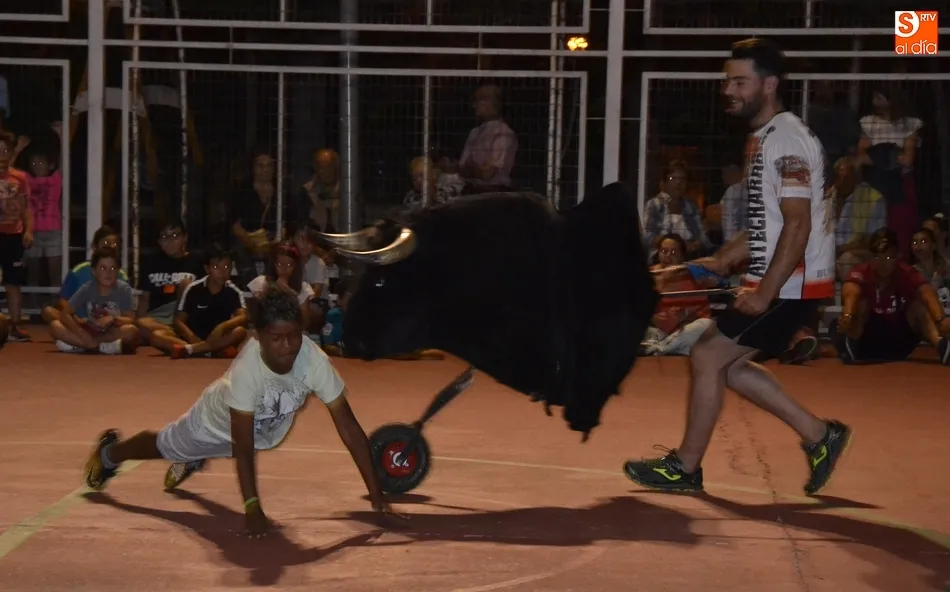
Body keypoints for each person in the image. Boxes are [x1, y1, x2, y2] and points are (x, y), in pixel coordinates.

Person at [623, 38, 851, 496]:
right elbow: (772, 222)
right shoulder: (765, 137)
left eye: (739, 81)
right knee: (730, 365)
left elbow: (798, 224)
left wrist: (764, 291)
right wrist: (723, 258)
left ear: (769, 85)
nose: (729, 89)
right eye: (727, 80)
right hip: (783, 278)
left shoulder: (785, 140)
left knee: (708, 355)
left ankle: (685, 467)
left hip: (789, 284)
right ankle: (819, 435)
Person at [81, 285, 407, 537]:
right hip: (213, 424)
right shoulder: (248, 368)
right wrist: (252, 507)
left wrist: (376, 494)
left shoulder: (314, 361)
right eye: (276, 339)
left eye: (293, 336)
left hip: (261, 434)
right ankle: (111, 453)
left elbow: (349, 427)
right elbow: (242, 444)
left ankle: (194, 459)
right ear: (259, 336)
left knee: (239, 444)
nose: (287, 347)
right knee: (162, 445)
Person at [833, 228, 950, 365]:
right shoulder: (860, 273)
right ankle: (850, 345)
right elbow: (851, 293)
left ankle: (942, 346)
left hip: (897, 340)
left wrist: (941, 320)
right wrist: (847, 316)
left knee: (919, 307)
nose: (882, 264)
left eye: (888, 258)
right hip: (865, 342)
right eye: (877, 257)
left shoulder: (906, 273)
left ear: (897, 256)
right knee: (859, 305)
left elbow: (926, 292)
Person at [149, 246, 248, 359]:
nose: (222, 272)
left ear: (231, 268)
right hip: (192, 338)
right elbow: (178, 321)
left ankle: (192, 350)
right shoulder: (193, 288)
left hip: (217, 337)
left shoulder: (234, 291)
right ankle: (207, 351)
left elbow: (243, 317)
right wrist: (192, 337)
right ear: (207, 269)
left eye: (226, 267)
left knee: (240, 332)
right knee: (156, 336)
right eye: (216, 267)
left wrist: (223, 326)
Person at [48, 247, 139, 355]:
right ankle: (99, 347)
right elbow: (65, 313)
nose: (108, 273)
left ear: (118, 271)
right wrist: (82, 332)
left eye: (113, 268)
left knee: (131, 331)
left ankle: (82, 345)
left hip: (111, 332)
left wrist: (113, 319)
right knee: (55, 326)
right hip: (90, 330)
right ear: (94, 272)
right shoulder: (87, 288)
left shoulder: (124, 289)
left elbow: (131, 319)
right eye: (103, 268)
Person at [42, 226, 128, 324]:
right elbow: (63, 300)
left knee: (130, 331)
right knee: (49, 312)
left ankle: (81, 338)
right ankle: (83, 335)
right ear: (94, 247)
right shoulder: (79, 271)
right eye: (106, 243)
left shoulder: (121, 275)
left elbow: (127, 311)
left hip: (107, 324)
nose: (111, 247)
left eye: (114, 244)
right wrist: (76, 317)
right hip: (79, 322)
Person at [136, 217, 204, 341]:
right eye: (164, 237)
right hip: (158, 317)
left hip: (185, 315)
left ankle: (173, 334)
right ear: (158, 242)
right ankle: (175, 334)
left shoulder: (197, 262)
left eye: (175, 235)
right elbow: (144, 298)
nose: (170, 241)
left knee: (186, 284)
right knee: (141, 325)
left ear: (185, 237)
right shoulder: (150, 262)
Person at [0, 130, 34, 342]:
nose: (1, 155)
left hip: (13, 236)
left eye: (5, 151)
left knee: (13, 283)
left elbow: (26, 209)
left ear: (11, 153)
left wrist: (29, 230)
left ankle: (14, 326)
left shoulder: (19, 178)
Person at [248, 241, 314, 329]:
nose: (284, 269)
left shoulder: (303, 288)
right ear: (273, 265)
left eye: (289, 265)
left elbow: (305, 323)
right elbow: (254, 315)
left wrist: (289, 292)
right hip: (267, 332)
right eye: (279, 264)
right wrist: (267, 291)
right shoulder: (262, 282)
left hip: (293, 333)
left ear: (295, 267)